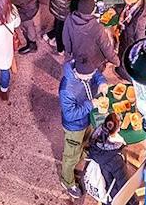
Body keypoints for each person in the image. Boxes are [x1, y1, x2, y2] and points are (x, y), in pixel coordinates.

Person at [59, 55, 102, 196]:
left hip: (87, 118)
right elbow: (69, 115)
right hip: (74, 127)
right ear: (78, 73)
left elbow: (95, 73)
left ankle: (82, 153)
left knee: (86, 141)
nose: (91, 77)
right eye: (88, 76)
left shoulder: (84, 64)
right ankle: (67, 181)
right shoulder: (66, 90)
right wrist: (90, 104)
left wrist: (102, 82)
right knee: (70, 156)